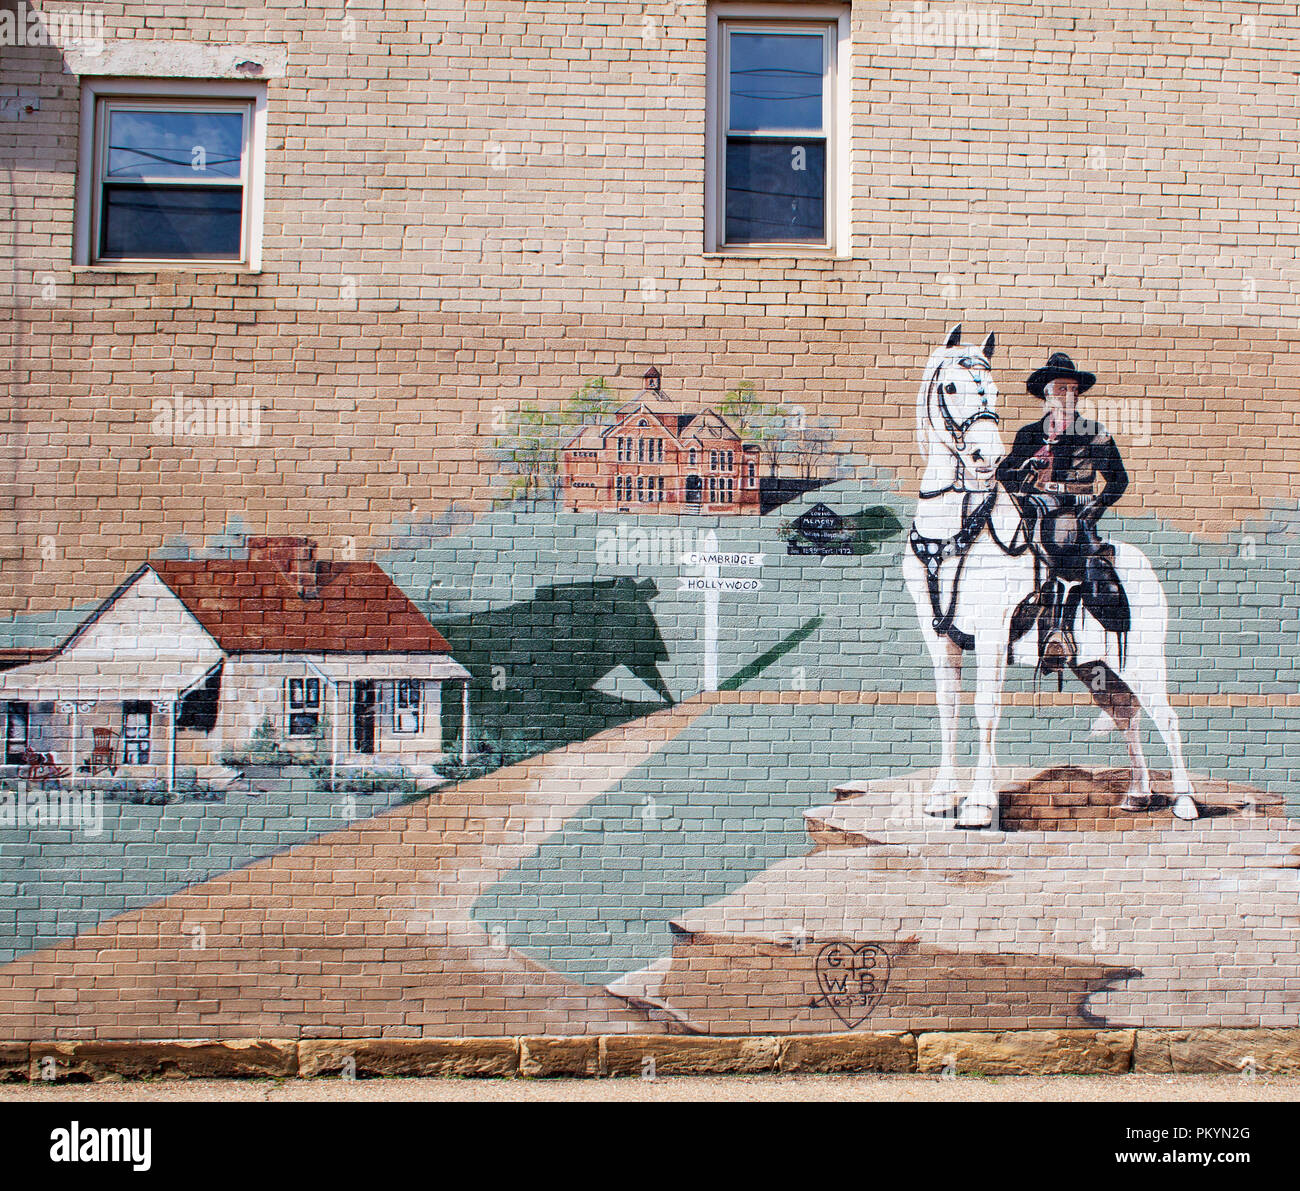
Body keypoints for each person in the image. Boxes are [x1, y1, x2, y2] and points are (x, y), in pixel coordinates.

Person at [997, 352, 1130, 671]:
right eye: (1061, 389)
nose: (1069, 395)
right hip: (1032, 509)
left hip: (1074, 512)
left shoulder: (1094, 433)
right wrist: (1026, 469)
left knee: (1061, 535)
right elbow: (1004, 473)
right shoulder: (1029, 434)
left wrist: (1096, 507)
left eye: (1073, 390)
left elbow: (1118, 480)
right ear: (1047, 394)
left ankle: (1058, 633)